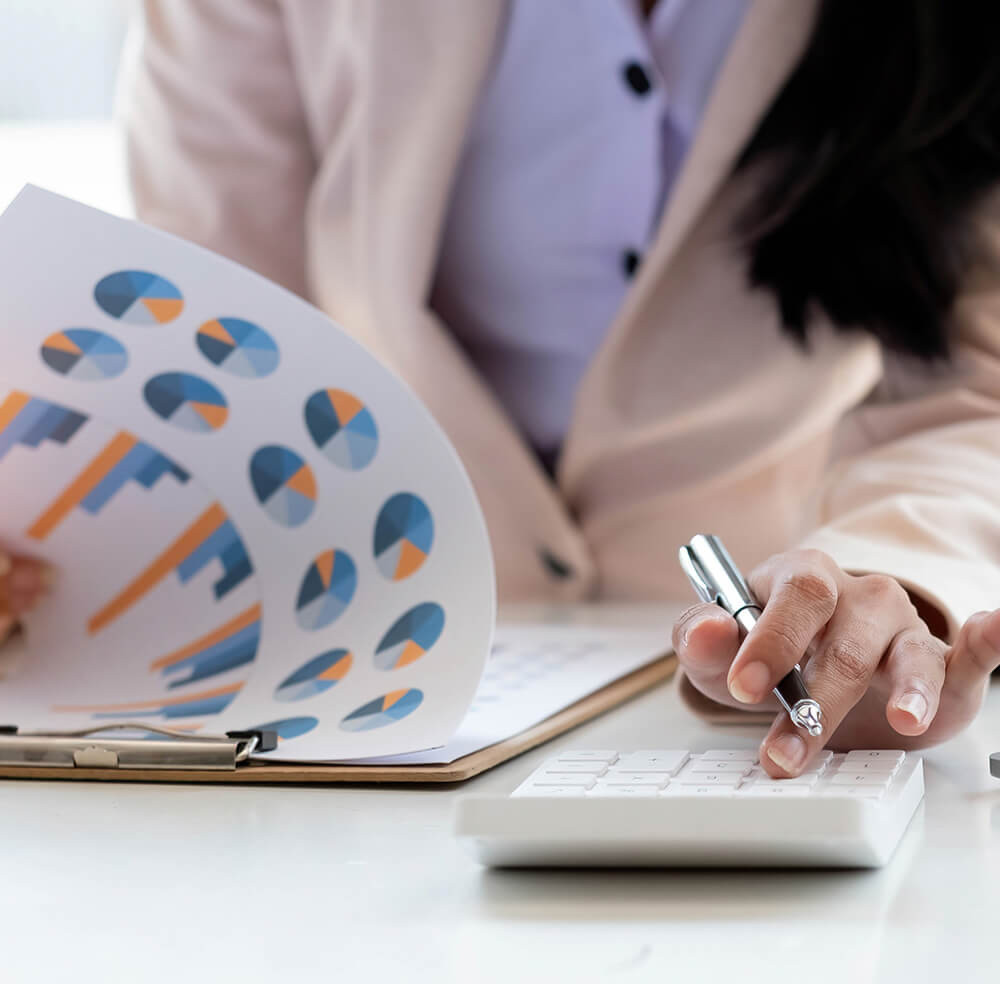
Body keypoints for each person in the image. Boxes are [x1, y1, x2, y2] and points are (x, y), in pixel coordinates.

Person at [12, 0, 1000, 777]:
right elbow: (209, 357)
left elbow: (970, 390)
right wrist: (41, 550)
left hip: (741, 708)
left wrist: (887, 601)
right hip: (360, 681)